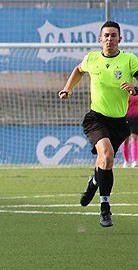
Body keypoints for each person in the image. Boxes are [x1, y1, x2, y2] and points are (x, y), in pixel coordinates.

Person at [59, 20, 138, 227]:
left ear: (120, 39)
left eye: (114, 35)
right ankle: (105, 209)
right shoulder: (92, 59)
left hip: (119, 123)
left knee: (104, 163)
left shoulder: (130, 60)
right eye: (106, 35)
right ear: (100, 39)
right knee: (107, 155)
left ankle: (94, 181)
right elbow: (78, 70)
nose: (110, 39)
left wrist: (135, 89)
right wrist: (68, 88)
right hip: (96, 119)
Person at [122, 94, 138, 168]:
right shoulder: (124, 93)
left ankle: (135, 161)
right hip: (125, 117)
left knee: (134, 138)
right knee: (125, 140)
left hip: (136, 118)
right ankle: (126, 161)